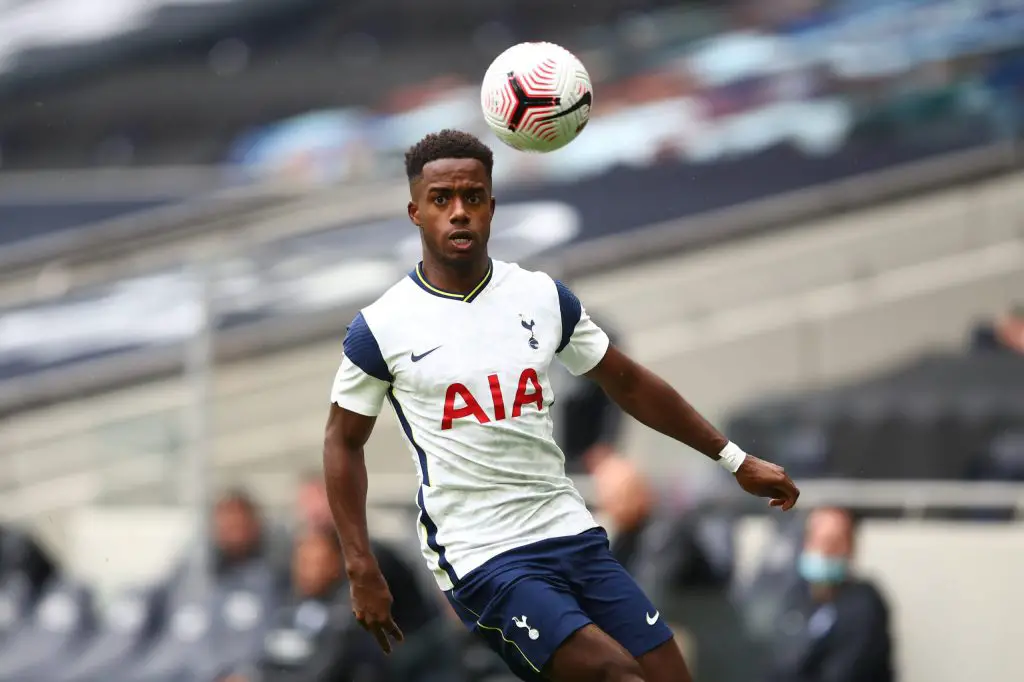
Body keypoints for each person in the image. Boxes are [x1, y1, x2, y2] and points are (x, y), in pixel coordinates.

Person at [323, 129, 800, 682]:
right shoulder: (380, 328)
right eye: (441, 199)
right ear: (415, 211)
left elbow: (629, 382)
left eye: (472, 198)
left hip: (569, 531)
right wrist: (360, 565)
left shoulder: (542, 298)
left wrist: (736, 461)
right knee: (613, 674)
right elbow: (342, 441)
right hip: (482, 556)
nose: (459, 213)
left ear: (493, 207)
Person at [765, 507, 893, 682]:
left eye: (834, 543)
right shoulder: (794, 595)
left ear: (850, 548)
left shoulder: (865, 605)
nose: (824, 551)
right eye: (817, 541)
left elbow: (845, 673)